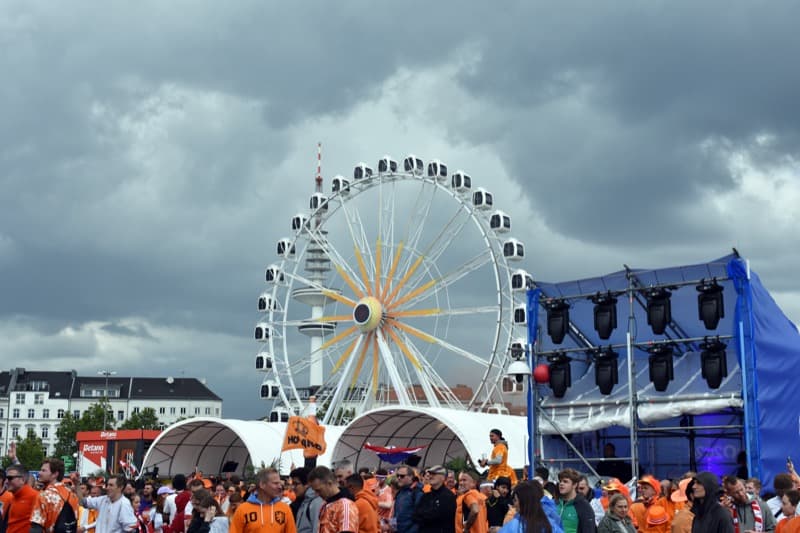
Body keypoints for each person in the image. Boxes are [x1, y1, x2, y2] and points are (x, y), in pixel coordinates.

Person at [229, 467, 297, 533]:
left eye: (279, 483)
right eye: (275, 483)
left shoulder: (285, 509)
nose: (279, 486)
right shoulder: (242, 510)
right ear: (262, 484)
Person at [30, 457, 79, 533]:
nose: (39, 473)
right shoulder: (73, 495)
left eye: (44, 470)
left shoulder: (45, 495)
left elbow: (36, 527)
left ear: (55, 474)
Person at [309, 466, 358, 533]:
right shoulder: (325, 505)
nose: (317, 494)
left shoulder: (346, 505)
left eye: (319, 490)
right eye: (315, 491)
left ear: (329, 483)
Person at [413, 465, 456, 533]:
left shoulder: (449, 496)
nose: (430, 476)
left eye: (434, 474)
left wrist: (426, 515)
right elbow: (416, 516)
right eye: (430, 474)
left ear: (443, 477)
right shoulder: (426, 495)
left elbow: (440, 517)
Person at [554, 469, 595, 533]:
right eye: (560, 481)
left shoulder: (584, 506)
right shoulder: (555, 503)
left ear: (574, 485)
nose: (561, 484)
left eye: (565, 481)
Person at [4, 464, 38, 533]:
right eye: (6, 478)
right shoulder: (13, 496)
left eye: (10, 478)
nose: (6, 481)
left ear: (22, 479)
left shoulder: (35, 496)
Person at [290, 467, 323, 533]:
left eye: (296, 484)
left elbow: (317, 530)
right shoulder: (305, 501)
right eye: (292, 484)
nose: (292, 487)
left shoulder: (316, 503)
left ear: (307, 484)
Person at [393, 465, 422, 533]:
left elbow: (420, 518)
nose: (399, 478)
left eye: (402, 476)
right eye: (397, 475)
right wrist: (392, 527)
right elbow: (396, 514)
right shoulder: (400, 492)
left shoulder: (417, 493)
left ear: (411, 477)